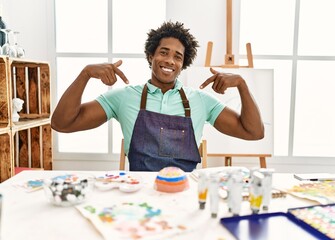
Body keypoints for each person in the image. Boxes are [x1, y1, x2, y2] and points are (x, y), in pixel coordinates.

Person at [51, 21, 264, 172]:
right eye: (163, 52)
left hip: (185, 196)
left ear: (183, 64)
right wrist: (85, 74)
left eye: (177, 56)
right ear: (151, 55)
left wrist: (242, 85)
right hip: (139, 195)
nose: (170, 60)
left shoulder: (200, 101)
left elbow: (254, 132)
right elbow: (62, 123)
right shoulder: (124, 98)